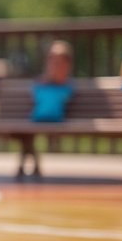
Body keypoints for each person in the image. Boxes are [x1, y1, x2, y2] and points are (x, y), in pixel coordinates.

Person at [19, 40, 75, 177]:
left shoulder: (66, 84)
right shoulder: (41, 82)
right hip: (38, 118)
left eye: (58, 60)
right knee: (25, 133)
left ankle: (30, 165)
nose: (54, 64)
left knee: (27, 132)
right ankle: (32, 163)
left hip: (57, 118)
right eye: (51, 59)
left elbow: (65, 91)